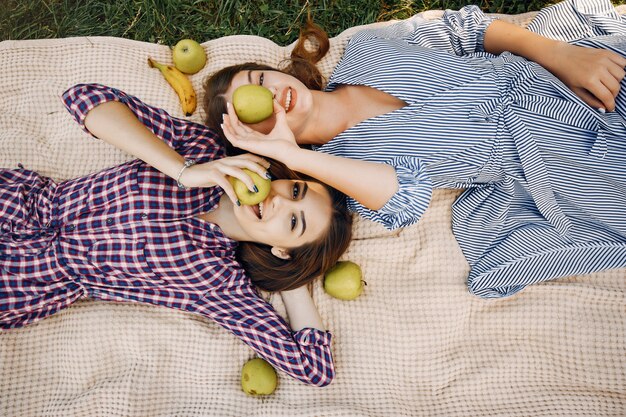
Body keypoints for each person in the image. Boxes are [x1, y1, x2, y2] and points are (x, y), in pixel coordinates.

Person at [204, 0, 626, 299]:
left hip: (563, 78)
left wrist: (560, 53)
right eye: (253, 110)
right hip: (565, 159)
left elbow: (468, 31)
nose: (272, 96)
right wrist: (294, 156)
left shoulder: (366, 49)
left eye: (260, 80)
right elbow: (404, 199)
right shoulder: (346, 173)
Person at [0, 83, 353, 387]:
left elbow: (314, 369)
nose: (278, 203)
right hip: (17, 202)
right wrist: (182, 171)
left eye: (294, 224)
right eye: (295, 192)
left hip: (25, 282)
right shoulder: (203, 150)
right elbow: (84, 99)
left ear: (282, 248)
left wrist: (289, 276)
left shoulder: (217, 282)